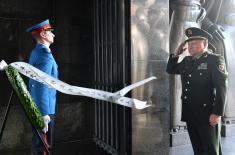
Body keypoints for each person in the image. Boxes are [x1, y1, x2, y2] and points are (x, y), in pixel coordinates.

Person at [166, 27, 228, 155]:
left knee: (211, 149)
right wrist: (176, 54)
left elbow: (222, 87)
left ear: (204, 44)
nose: (191, 46)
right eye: (189, 43)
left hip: (207, 114)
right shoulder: (188, 60)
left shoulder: (214, 60)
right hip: (190, 113)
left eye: (194, 43)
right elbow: (171, 70)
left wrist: (217, 113)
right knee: (197, 149)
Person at [26, 19, 58, 155]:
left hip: (36, 105)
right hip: (45, 108)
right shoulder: (45, 55)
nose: (54, 35)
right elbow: (41, 84)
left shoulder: (36, 52)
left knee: (39, 145)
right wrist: (44, 113)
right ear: (44, 34)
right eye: (51, 32)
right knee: (44, 147)